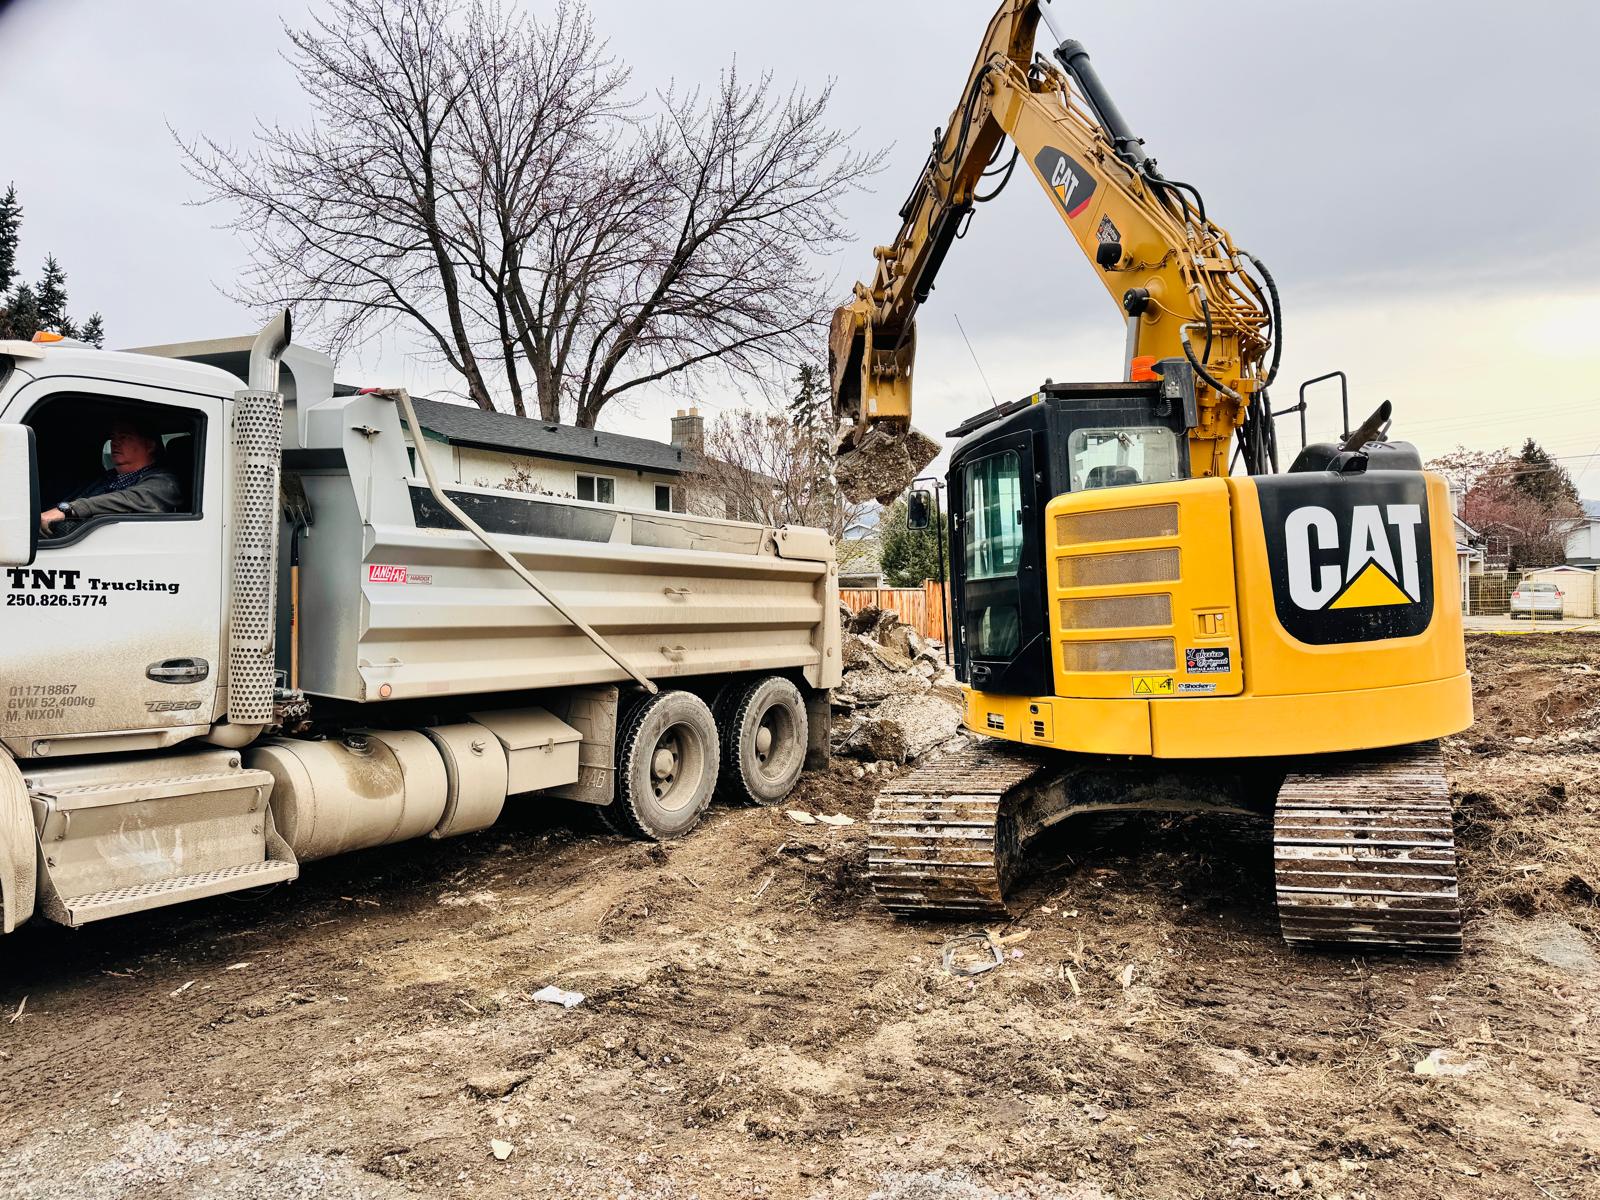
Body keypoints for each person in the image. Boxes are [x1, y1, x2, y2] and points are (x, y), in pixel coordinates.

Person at [38, 418, 182, 538]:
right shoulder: (105, 478)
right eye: (112, 437)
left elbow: (134, 498)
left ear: (150, 445)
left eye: (124, 437)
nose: (115, 443)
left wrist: (69, 510)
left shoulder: (165, 481)